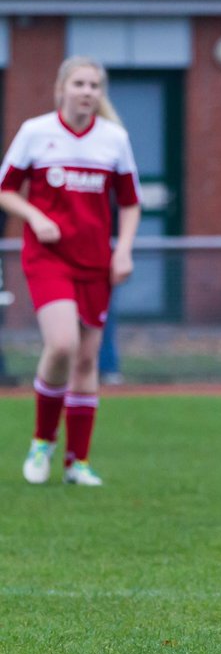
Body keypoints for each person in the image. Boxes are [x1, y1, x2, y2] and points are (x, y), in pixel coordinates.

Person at [0, 56, 141, 486]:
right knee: (61, 345)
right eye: (79, 83)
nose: (87, 92)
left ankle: (76, 463)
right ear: (61, 88)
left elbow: (131, 202)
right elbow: (4, 190)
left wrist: (124, 252)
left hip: (95, 259)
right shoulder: (36, 133)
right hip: (48, 257)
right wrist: (35, 216)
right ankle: (43, 440)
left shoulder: (114, 139)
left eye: (94, 85)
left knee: (85, 359)